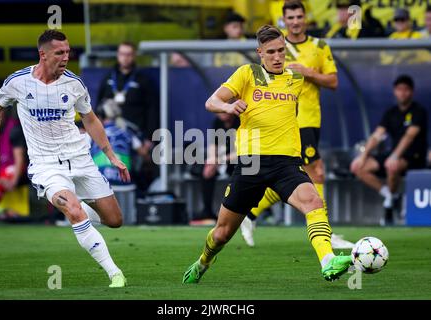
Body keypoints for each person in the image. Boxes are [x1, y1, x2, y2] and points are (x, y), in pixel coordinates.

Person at [182, 25, 352, 284]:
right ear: (260, 52)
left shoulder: (295, 79)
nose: (277, 56)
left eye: (281, 50)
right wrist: (229, 106)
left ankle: (328, 261)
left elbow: (321, 90)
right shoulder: (247, 74)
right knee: (222, 234)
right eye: (270, 51)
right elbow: (211, 102)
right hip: (251, 165)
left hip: (287, 163)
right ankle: (203, 261)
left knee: (314, 203)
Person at [0, 30, 130, 288]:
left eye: (68, 52)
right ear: (43, 54)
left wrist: (111, 156)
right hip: (46, 165)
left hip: (80, 159)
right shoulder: (18, 81)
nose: (66, 58)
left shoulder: (74, 83)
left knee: (115, 221)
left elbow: (90, 118)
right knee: (72, 210)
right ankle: (114, 273)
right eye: (59, 53)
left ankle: (80, 212)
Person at [240, 0, 354, 250]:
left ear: (306, 18)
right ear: (284, 19)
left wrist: (307, 72)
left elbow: (333, 81)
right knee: (316, 172)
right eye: (290, 17)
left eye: (299, 16)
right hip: (291, 121)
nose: (295, 21)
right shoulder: (276, 47)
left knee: (294, 176)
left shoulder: (319, 46)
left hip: (312, 118)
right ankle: (326, 232)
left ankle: (249, 214)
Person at [350, 75, 428, 226]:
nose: (402, 93)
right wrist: (363, 156)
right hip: (392, 154)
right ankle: (391, 196)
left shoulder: (419, 111)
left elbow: (409, 137)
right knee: (358, 167)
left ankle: (389, 206)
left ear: (411, 92)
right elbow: (377, 135)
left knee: (391, 165)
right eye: (399, 89)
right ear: (394, 91)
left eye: (406, 90)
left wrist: (394, 156)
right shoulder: (391, 112)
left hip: (414, 157)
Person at [97, 41, 159, 141]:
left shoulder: (143, 81)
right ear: (117, 55)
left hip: (134, 132)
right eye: (122, 54)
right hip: (109, 130)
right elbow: (98, 107)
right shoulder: (107, 79)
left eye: (128, 54)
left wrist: (149, 138)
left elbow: (152, 111)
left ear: (134, 56)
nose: (125, 58)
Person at [91, 98, 151, 188]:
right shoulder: (127, 133)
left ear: (101, 116)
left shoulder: (93, 134)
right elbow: (144, 153)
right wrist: (147, 146)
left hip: (99, 183)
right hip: (123, 183)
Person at [191, 113, 239, 222]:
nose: (221, 113)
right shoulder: (217, 122)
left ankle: (235, 213)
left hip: (240, 161)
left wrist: (219, 161)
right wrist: (212, 161)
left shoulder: (240, 121)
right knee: (206, 173)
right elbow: (213, 145)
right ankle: (207, 212)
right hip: (223, 161)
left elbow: (242, 150)